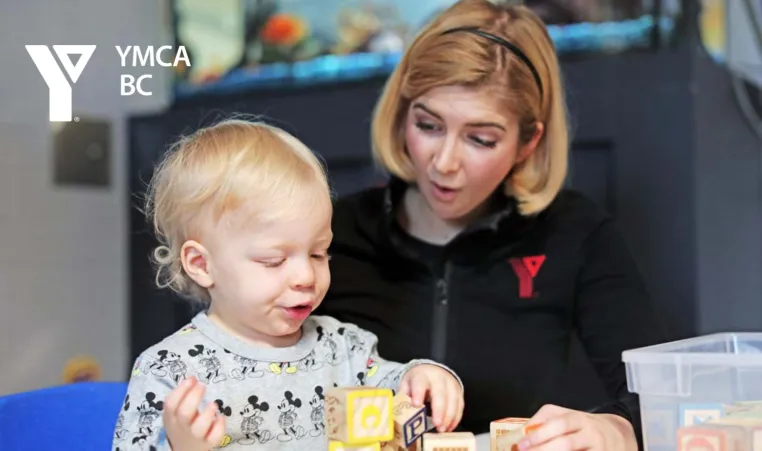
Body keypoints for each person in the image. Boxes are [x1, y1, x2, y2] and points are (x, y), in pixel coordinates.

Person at [316, 1, 666, 450]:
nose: (444, 163)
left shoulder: (575, 233)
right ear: (402, 111)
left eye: (481, 139)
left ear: (528, 142)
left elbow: (652, 398)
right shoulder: (333, 234)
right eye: (428, 125)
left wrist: (615, 429)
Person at [113, 119, 465, 451]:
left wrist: (422, 376)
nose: (306, 277)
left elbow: (392, 390)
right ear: (202, 265)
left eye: (318, 253)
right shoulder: (168, 369)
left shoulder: (342, 348)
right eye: (274, 260)